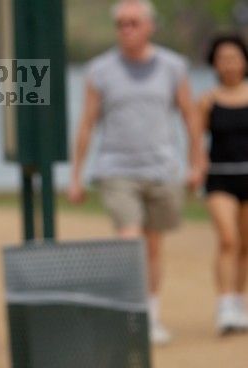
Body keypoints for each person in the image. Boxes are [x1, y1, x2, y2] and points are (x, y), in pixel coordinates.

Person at [67, 0, 205, 345]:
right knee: (132, 241)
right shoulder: (100, 70)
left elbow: (190, 117)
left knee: (154, 246)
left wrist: (197, 162)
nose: (126, 29)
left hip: (161, 168)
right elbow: (87, 124)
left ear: (150, 26)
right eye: (121, 24)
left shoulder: (173, 66)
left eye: (133, 23)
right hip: (116, 169)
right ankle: (131, 315)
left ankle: (151, 316)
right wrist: (76, 175)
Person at [197, 34, 248, 334]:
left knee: (245, 243)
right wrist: (194, 168)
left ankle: (239, 302)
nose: (228, 64)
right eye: (222, 58)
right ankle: (225, 303)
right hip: (220, 176)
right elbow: (196, 141)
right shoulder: (207, 100)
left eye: (234, 57)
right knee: (228, 239)